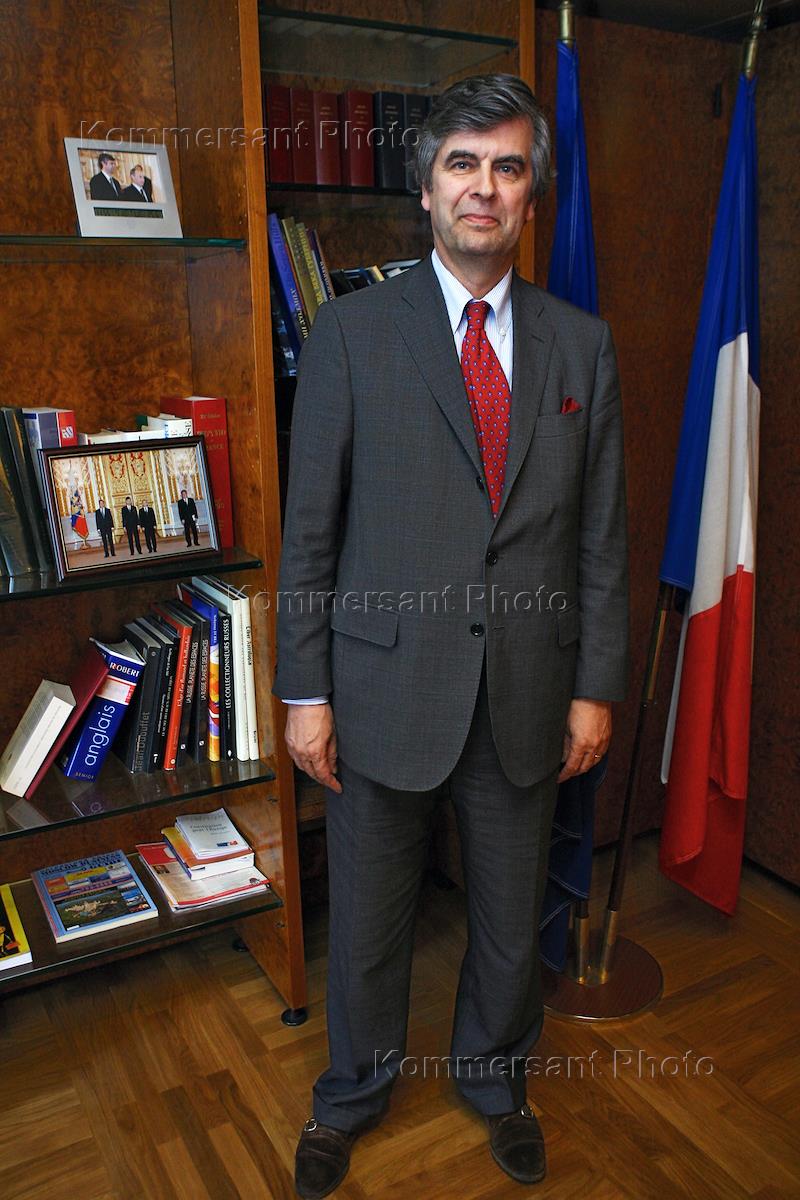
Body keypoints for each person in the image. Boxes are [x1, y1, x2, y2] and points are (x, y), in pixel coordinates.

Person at [275, 74, 629, 1199]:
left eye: (507, 167)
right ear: (424, 190)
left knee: (510, 921)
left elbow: (600, 538)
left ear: (530, 192)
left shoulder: (581, 347)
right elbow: (311, 531)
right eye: (461, 165)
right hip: (380, 690)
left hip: (527, 690)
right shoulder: (349, 332)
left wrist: (595, 687)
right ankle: (350, 1096)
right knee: (368, 925)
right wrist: (303, 693)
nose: (484, 187)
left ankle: (495, 1082)